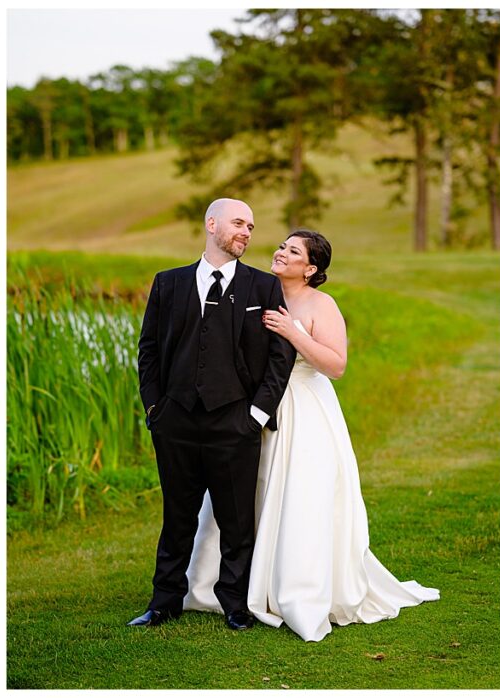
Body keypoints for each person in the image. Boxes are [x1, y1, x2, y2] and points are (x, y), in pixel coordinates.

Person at [183, 229, 439, 642]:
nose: (281, 252)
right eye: (282, 246)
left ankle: (295, 590)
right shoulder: (255, 289)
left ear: (311, 268)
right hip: (249, 410)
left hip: (303, 406)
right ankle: (222, 587)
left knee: (299, 497)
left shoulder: (322, 304)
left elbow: (336, 365)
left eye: (293, 251)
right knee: (239, 493)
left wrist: (293, 331)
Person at [131, 198, 297, 631]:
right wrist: (155, 408)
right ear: (211, 224)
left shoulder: (262, 287)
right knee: (177, 516)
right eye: (239, 223)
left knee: (237, 520)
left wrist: (256, 415)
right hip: (176, 421)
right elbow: (148, 351)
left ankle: (235, 605)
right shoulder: (168, 284)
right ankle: (164, 602)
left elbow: (280, 357)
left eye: (251, 226)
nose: (246, 232)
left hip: (235, 422)